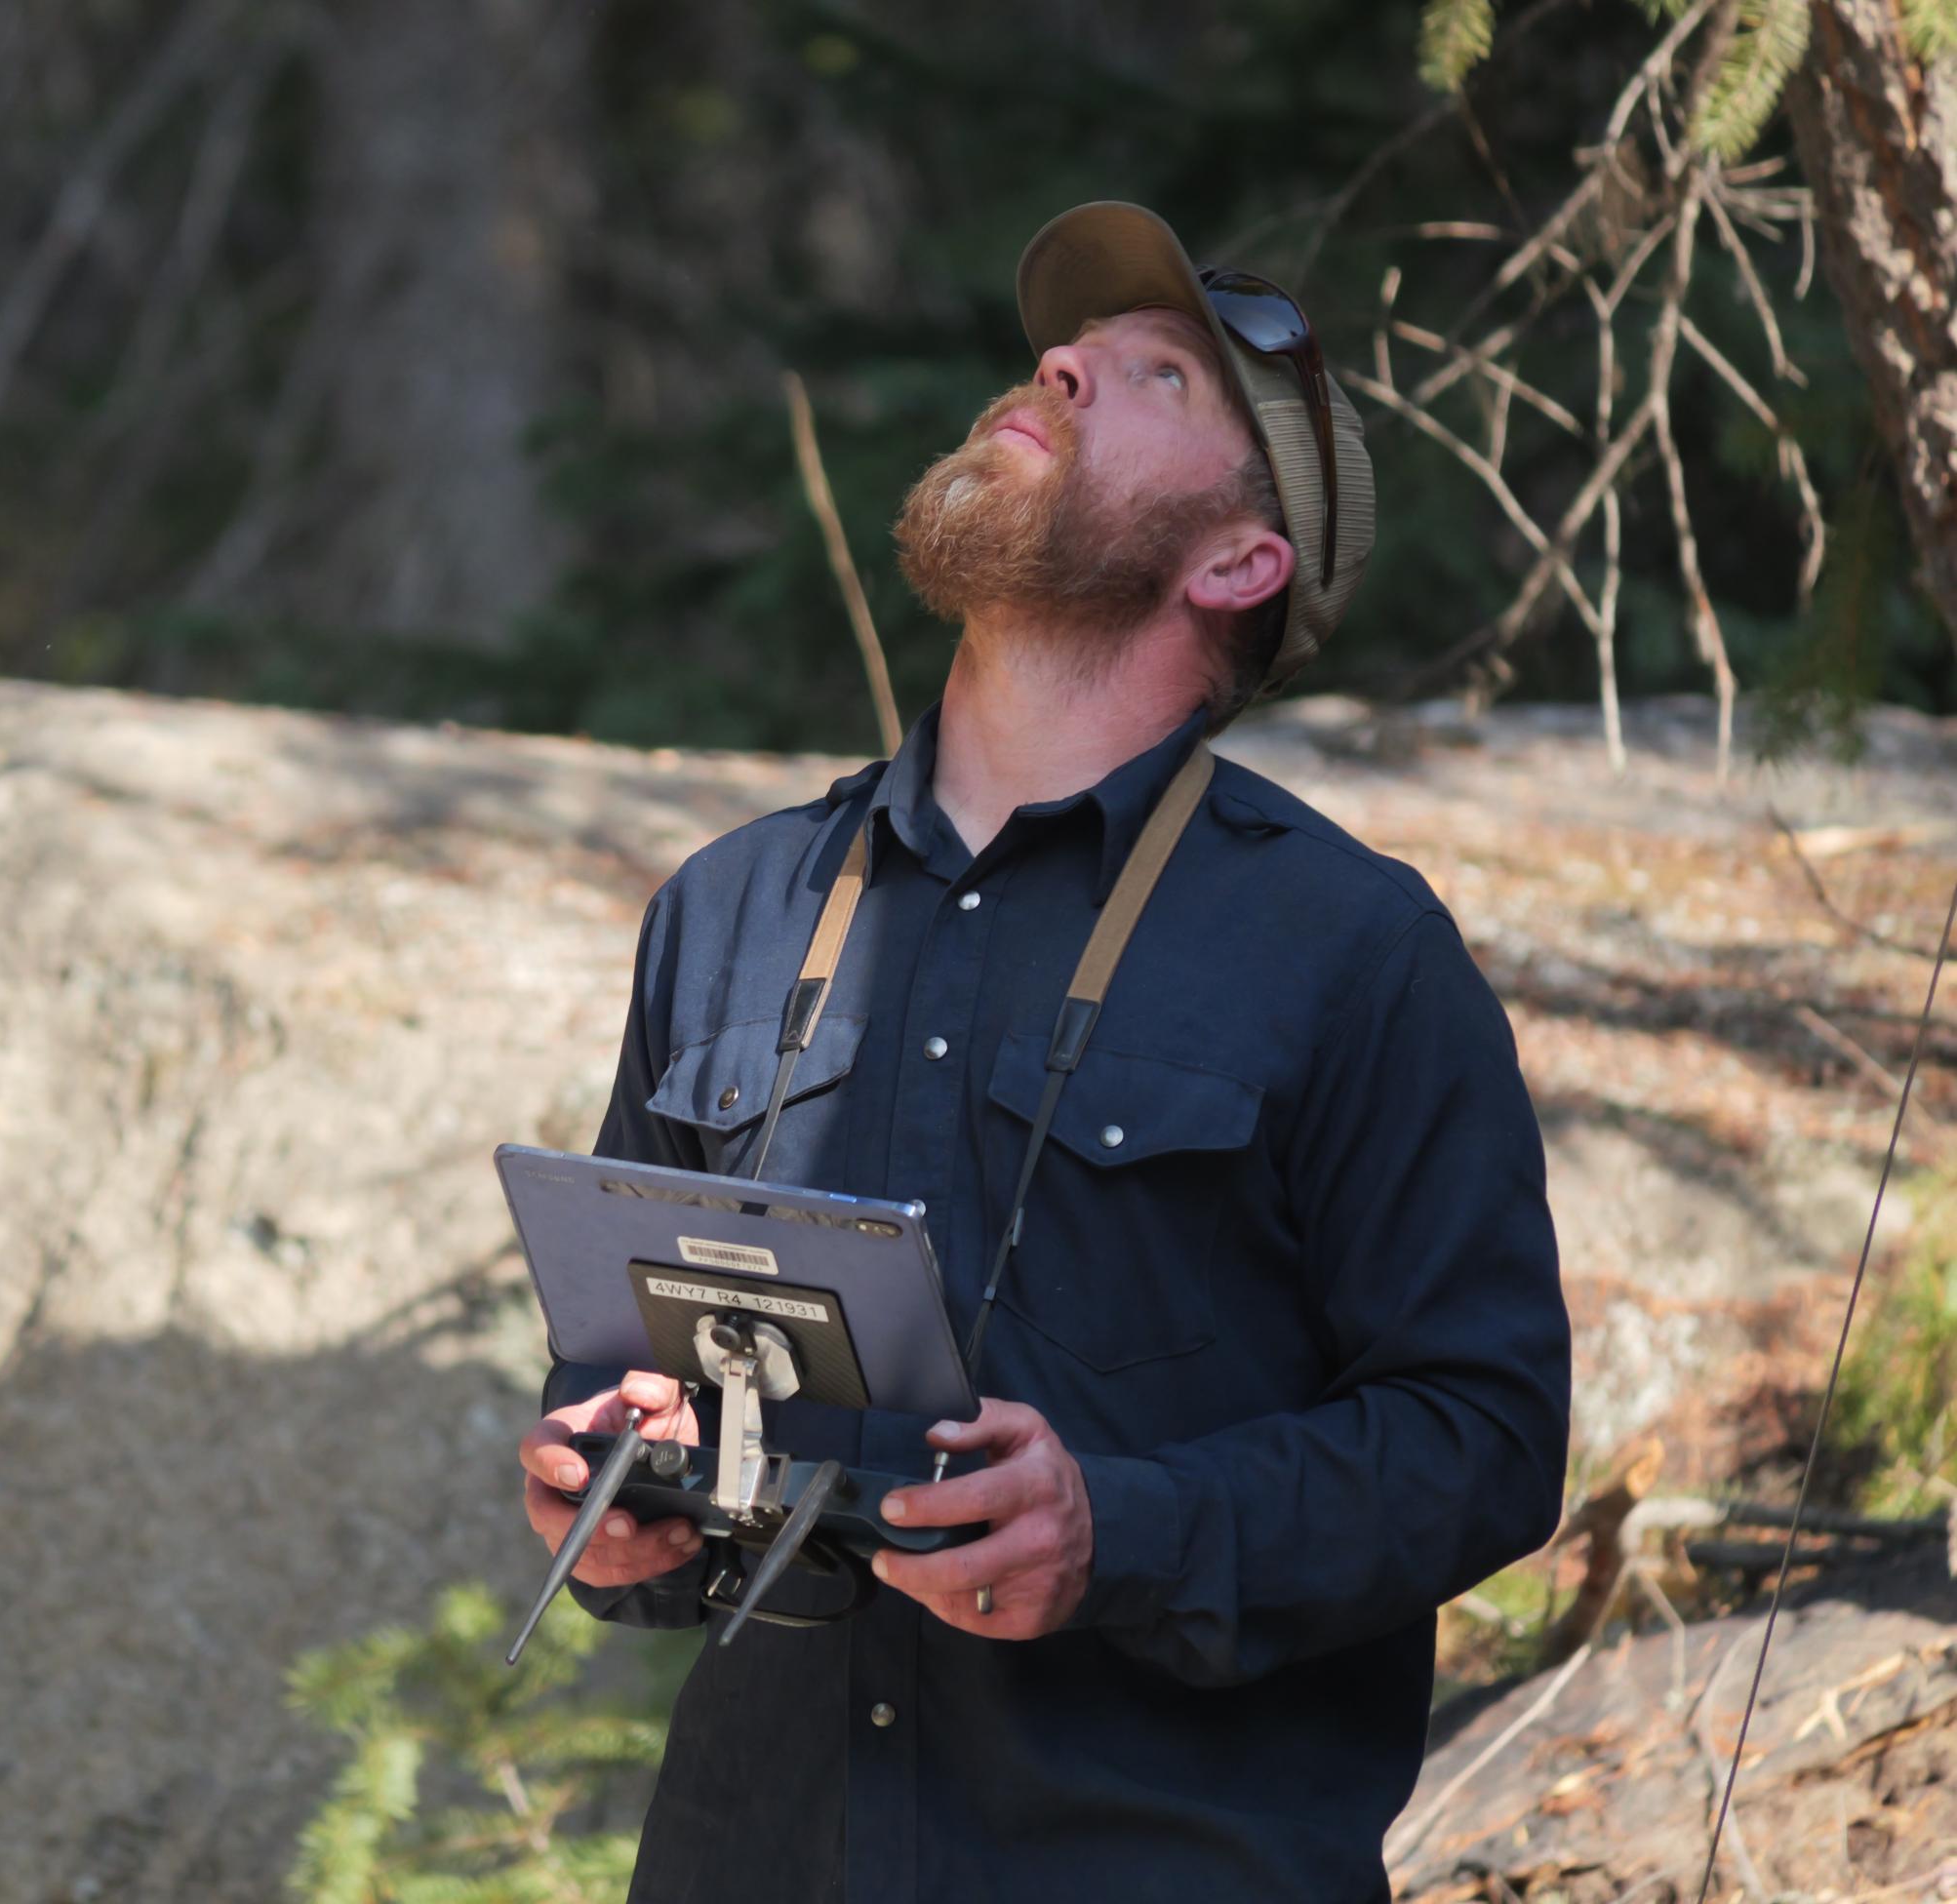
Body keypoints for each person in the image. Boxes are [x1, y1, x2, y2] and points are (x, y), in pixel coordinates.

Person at [514, 200, 1573, 1902]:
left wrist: (1119, 1531)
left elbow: (1483, 1438)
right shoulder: (729, 902)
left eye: (1152, 374)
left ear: (1239, 562)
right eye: (1062, 351)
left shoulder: (1355, 954)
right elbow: (623, 1378)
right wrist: (611, 1489)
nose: (1060, 365)